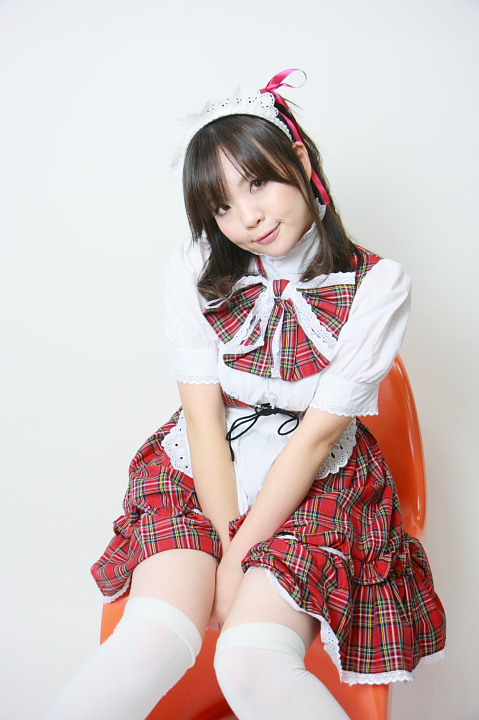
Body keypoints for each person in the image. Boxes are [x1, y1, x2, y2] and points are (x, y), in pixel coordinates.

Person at [46, 69, 446, 720]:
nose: (247, 218)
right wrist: (223, 536)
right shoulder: (193, 265)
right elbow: (203, 417)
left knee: (250, 661)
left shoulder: (377, 284)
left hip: (318, 486)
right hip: (202, 472)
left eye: (256, 183)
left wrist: (235, 559)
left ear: (300, 161)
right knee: (150, 642)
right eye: (222, 206)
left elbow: (315, 439)